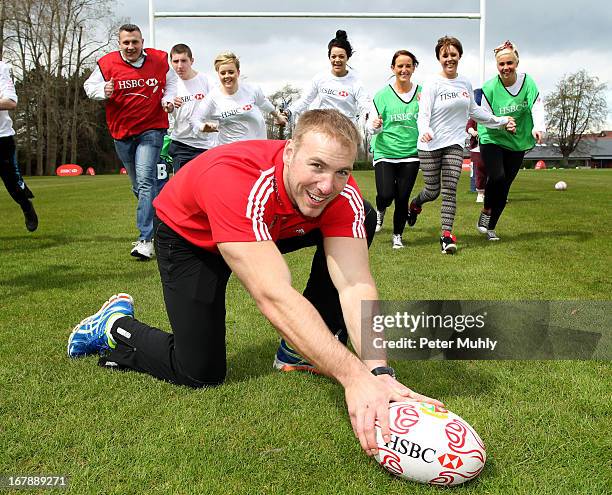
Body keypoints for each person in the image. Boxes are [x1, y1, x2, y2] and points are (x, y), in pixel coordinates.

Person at [67, 109, 442, 457]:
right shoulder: (237, 182)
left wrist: (378, 371)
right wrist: (352, 376)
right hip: (192, 237)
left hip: (267, 224)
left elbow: (356, 284)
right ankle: (115, 325)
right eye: (317, 166)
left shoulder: (340, 196)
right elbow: (272, 294)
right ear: (290, 151)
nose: (328, 185)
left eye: (342, 171)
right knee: (198, 371)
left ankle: (299, 350)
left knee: (363, 216)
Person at [407, 36, 515, 254]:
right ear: (439, 58)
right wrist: (425, 131)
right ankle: (415, 204)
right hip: (429, 145)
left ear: (459, 56)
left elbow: (474, 111)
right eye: (445, 55)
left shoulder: (465, 82)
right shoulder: (432, 83)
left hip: (454, 144)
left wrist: (500, 121)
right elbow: (423, 114)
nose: (449, 59)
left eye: (453, 55)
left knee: (449, 190)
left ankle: (446, 236)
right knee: (432, 191)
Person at [84, 24, 177, 260]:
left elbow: (172, 83)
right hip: (122, 131)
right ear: (119, 44)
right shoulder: (106, 63)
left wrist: (167, 99)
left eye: (135, 42)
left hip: (152, 128)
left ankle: (146, 240)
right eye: (126, 42)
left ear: (142, 42)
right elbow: (89, 87)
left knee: (146, 181)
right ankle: (164, 220)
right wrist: (102, 90)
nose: (131, 47)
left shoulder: (159, 59)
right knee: (139, 187)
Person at [476, 41, 545, 241]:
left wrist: (538, 127)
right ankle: (486, 210)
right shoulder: (489, 88)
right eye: (501, 64)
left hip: (518, 140)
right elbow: (485, 117)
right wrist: (503, 124)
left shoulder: (528, 82)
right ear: (497, 66)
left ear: (516, 63)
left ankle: (491, 228)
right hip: (492, 136)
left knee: (505, 186)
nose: (506, 68)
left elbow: (537, 106)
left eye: (509, 63)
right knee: (497, 176)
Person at [367, 49, 422, 249]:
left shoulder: (422, 94)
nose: (404, 69)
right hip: (385, 152)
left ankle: (397, 235)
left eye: (408, 65)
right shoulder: (381, 95)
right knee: (386, 194)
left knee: (402, 197)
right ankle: (381, 209)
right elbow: (370, 126)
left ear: (413, 68)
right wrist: (375, 125)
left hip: (410, 154)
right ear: (393, 68)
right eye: (400, 66)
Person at [190, 52, 286, 144]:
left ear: (238, 72)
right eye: (223, 73)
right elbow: (195, 119)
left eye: (231, 72)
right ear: (218, 74)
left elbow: (264, 103)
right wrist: (202, 127)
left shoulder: (252, 90)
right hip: (228, 149)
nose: (227, 76)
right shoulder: (212, 97)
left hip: (255, 146)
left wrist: (277, 116)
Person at [286, 30, 370, 126]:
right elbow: (305, 100)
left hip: (346, 130)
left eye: (341, 56)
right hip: (324, 129)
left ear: (347, 58)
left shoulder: (356, 82)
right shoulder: (320, 78)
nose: (337, 60)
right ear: (329, 57)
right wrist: (288, 112)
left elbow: (365, 106)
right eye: (333, 56)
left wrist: (372, 119)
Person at [0, 60, 38, 232]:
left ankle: (26, 205)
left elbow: (11, 102)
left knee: (13, 185)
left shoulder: (2, 69)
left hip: (2, 138)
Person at [167, 44, 217, 172]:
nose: (179, 65)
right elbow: (166, 106)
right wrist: (170, 106)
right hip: (181, 144)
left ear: (192, 61)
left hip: (206, 145)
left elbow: (220, 104)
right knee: (183, 189)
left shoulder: (207, 81)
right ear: (171, 62)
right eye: (175, 61)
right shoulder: (171, 85)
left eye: (183, 61)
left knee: (206, 187)